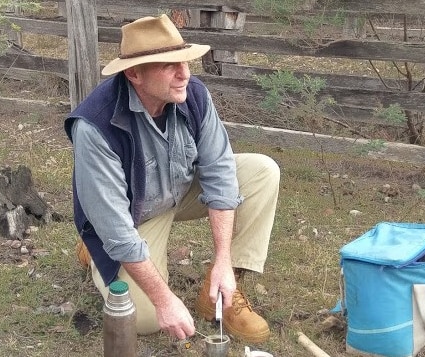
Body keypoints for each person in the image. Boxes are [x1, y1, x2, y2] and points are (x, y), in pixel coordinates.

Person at [64, 14, 280, 343]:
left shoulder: (192, 94)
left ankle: (220, 291)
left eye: (186, 61)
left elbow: (220, 171)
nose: (185, 74)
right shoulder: (95, 126)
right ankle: (94, 251)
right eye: (169, 65)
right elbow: (119, 231)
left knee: (262, 172)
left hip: (180, 188)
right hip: (133, 215)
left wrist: (223, 259)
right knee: (145, 317)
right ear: (134, 73)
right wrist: (165, 301)